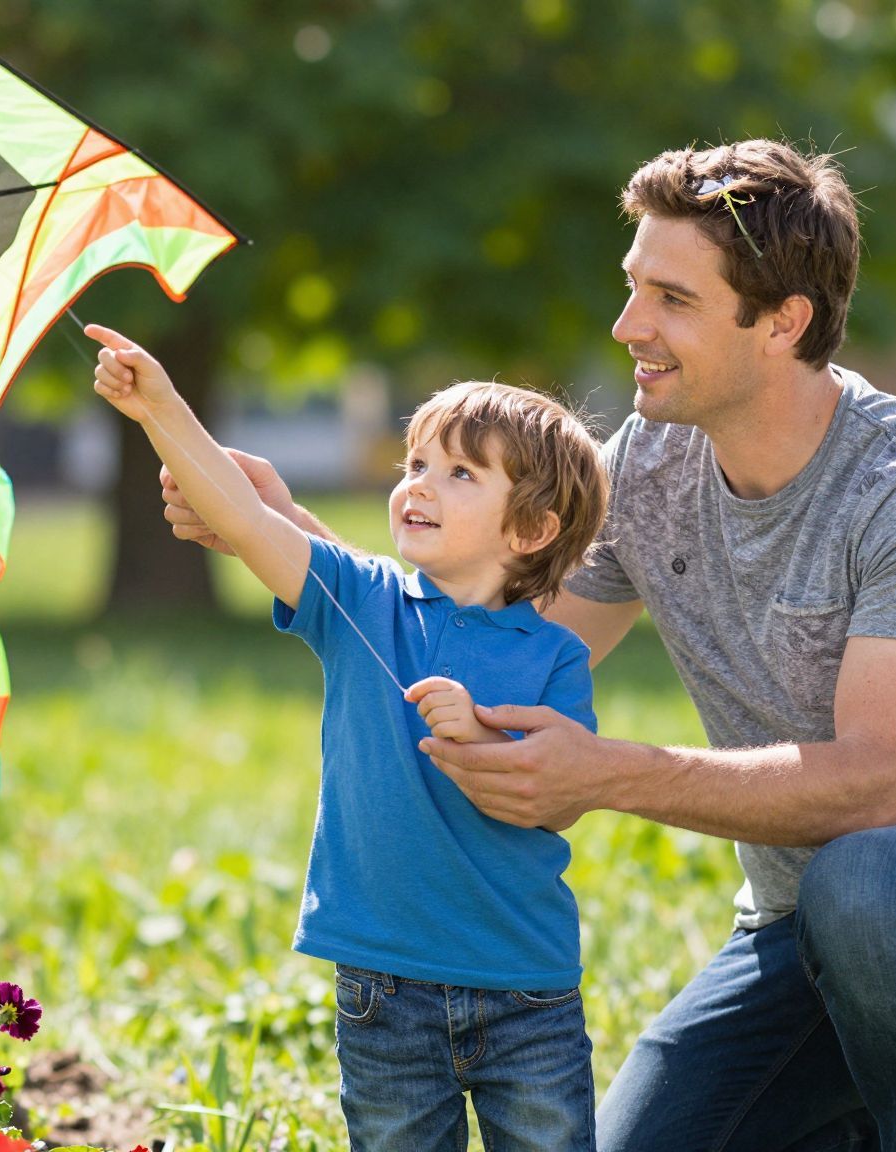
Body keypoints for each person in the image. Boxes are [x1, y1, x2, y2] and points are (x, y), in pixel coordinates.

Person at [161, 139, 896, 1152]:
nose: (627, 328)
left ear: (782, 322)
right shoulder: (651, 463)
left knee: (868, 881)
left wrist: (603, 774)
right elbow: (492, 641)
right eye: (632, 289)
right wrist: (278, 530)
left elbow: (874, 789)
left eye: (671, 299)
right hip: (794, 935)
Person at [89, 324, 609, 1152]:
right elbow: (248, 523)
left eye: (459, 473)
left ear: (531, 530)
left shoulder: (556, 656)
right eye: (415, 465)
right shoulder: (359, 596)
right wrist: (161, 409)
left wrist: (474, 733)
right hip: (384, 985)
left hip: (526, 992)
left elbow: (559, 803)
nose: (419, 487)